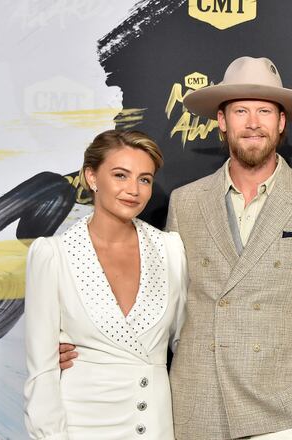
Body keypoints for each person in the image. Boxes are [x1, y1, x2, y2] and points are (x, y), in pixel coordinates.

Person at [167, 56, 292, 439]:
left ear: (281, 122)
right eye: (241, 111)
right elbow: (167, 305)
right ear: (221, 121)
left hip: (283, 415)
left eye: (264, 111)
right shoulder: (185, 202)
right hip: (198, 407)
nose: (253, 123)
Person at [23, 130, 187, 439]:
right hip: (80, 424)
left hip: (154, 424)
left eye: (144, 179)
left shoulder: (169, 250)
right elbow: (42, 372)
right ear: (92, 177)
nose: (133, 190)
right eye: (120, 175)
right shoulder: (53, 255)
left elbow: (186, 344)